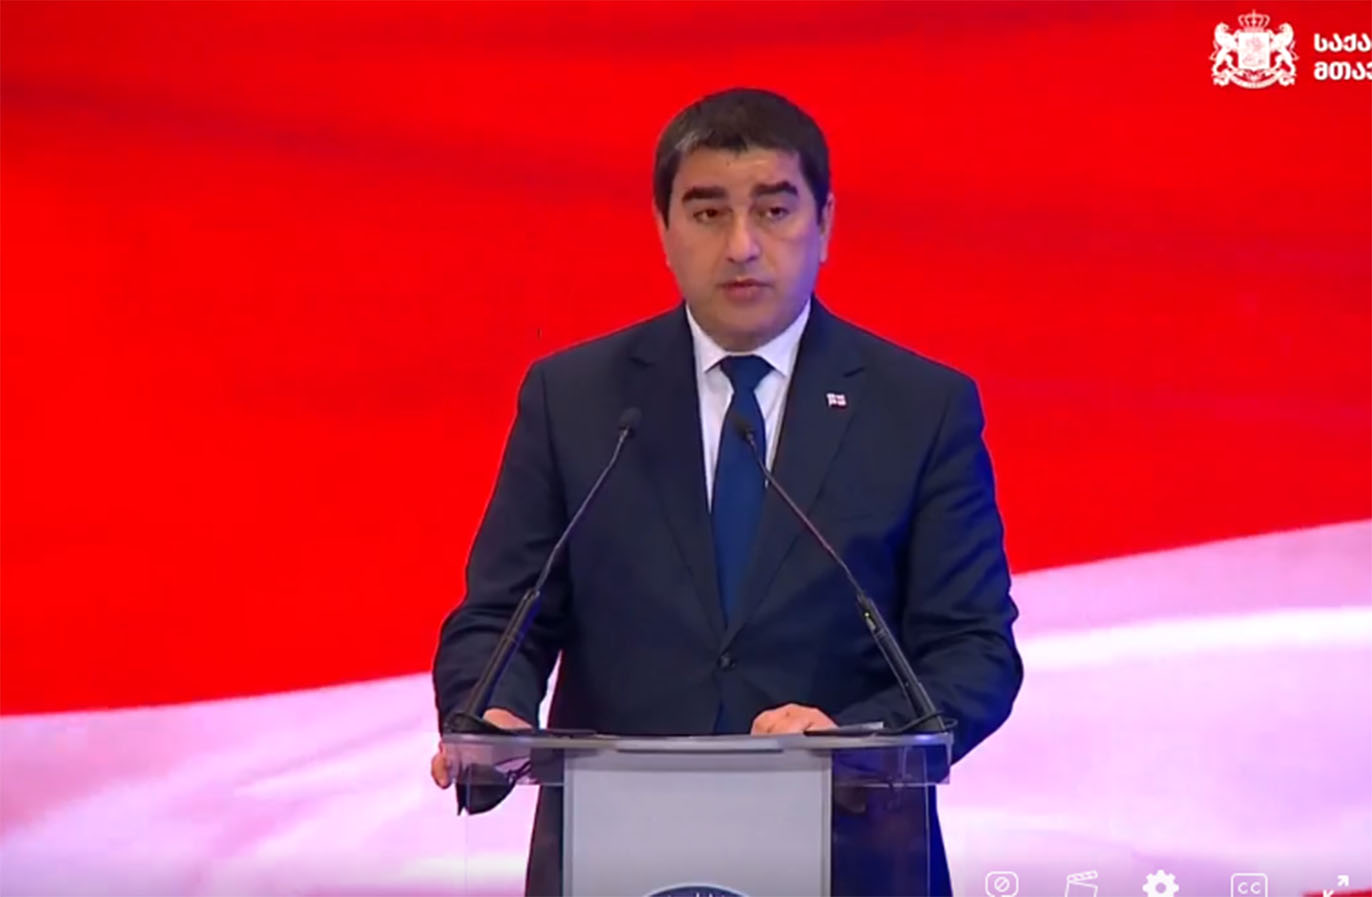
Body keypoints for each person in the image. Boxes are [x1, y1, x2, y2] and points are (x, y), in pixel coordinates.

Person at [430, 86, 1022, 896]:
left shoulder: (919, 407)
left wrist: (854, 738)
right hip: (617, 853)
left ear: (825, 225)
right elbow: (503, 616)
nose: (742, 245)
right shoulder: (576, 399)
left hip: (850, 854)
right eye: (708, 213)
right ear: (663, 229)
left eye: (774, 210)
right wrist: (492, 711)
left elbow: (975, 651)